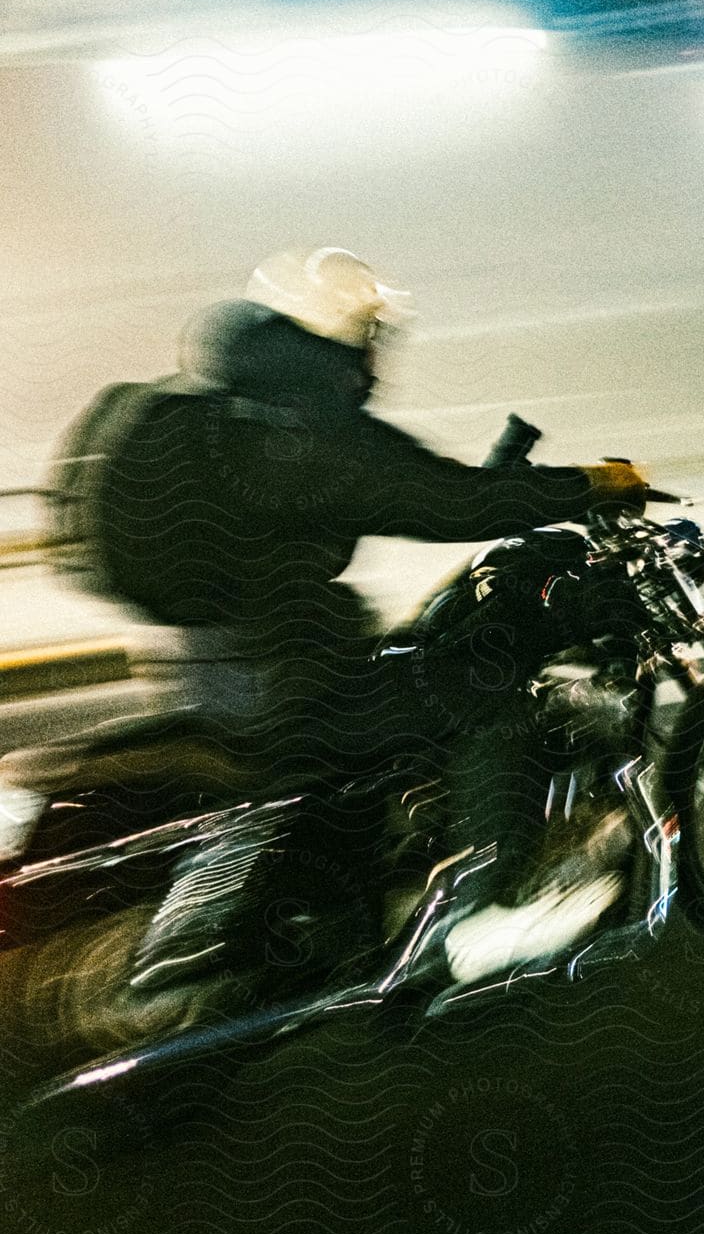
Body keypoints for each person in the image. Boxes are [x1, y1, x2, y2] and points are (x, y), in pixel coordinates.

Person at [49, 248, 647, 988]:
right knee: (491, 698)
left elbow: (425, 489)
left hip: (210, 665)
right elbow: (440, 502)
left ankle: (390, 880)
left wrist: (501, 486)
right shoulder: (301, 426)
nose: (378, 353)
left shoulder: (217, 410)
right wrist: (594, 483)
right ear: (340, 335)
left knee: (420, 666)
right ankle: (477, 922)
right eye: (371, 334)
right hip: (295, 674)